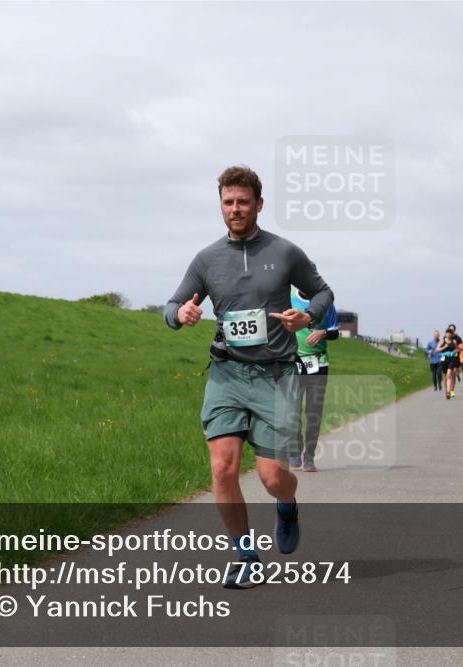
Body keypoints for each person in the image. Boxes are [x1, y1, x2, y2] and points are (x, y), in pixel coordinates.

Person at [164, 165, 333, 588]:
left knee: (272, 477)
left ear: (258, 204)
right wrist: (180, 313)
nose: (235, 209)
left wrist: (308, 314)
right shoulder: (206, 259)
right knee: (222, 469)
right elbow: (171, 305)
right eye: (227, 202)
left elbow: (324, 292)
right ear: (220, 206)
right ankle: (245, 555)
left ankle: (288, 504)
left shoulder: (286, 252)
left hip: (276, 376)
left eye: (242, 202)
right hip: (226, 374)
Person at [290, 286, 338, 472]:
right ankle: (295, 450)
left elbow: (335, 331)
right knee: (292, 410)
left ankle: (309, 457)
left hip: (318, 363)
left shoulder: (325, 302)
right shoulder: (288, 298)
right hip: (293, 362)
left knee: (313, 412)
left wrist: (323, 333)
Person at [437, 324, 462, 399]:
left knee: (452, 374)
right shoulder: (443, 339)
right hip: (444, 360)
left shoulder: (457, 339)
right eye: (448, 331)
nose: (449, 333)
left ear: (453, 331)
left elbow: (461, 348)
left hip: (454, 359)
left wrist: (455, 350)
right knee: (447, 375)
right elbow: (437, 349)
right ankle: (447, 387)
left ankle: (451, 391)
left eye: (451, 331)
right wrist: (444, 347)